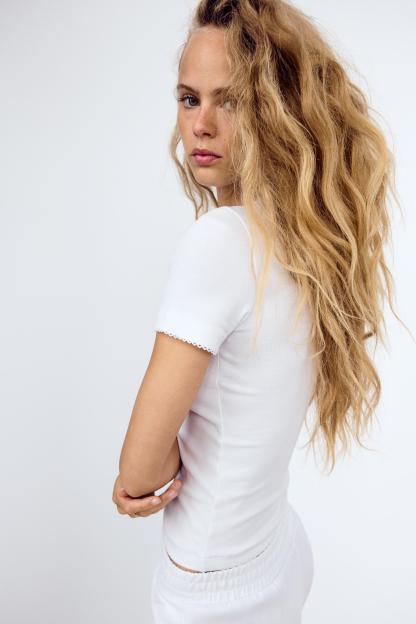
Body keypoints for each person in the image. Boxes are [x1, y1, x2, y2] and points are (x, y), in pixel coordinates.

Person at [112, 1, 406, 621]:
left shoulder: (218, 243)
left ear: (277, 111)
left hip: (214, 591)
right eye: (189, 99)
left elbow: (139, 472)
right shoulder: (308, 241)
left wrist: (156, 466)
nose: (201, 125)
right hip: (277, 550)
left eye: (232, 101)